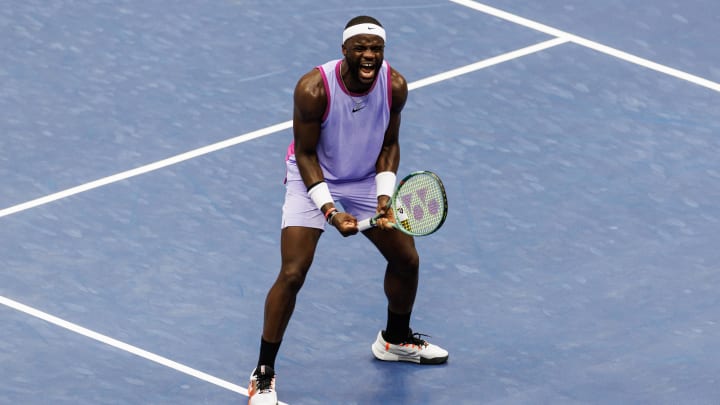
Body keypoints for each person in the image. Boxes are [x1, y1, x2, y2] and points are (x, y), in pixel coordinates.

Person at [247, 15, 448, 405]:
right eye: (361, 48)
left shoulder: (394, 86)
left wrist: (384, 198)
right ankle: (264, 372)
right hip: (313, 176)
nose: (369, 55)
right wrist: (328, 211)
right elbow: (305, 154)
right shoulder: (313, 90)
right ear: (344, 51)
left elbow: (389, 146)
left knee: (406, 259)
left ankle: (395, 339)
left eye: (376, 49)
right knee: (292, 273)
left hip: (362, 179)